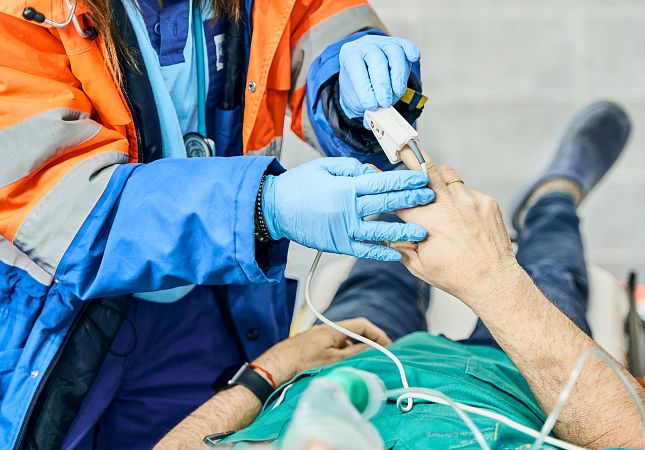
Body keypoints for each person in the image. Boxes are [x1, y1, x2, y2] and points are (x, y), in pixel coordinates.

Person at [0, 0, 434, 448]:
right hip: (54, 320)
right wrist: (265, 207)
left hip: (216, 298)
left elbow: (320, 22)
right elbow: (67, 211)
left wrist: (354, 83)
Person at [157, 102, 645, 450]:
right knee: (551, 273)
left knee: (380, 270)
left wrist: (268, 371)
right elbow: (643, 440)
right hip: (516, 386)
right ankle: (556, 196)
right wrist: (492, 276)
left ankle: (392, 194)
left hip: (329, 367)